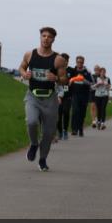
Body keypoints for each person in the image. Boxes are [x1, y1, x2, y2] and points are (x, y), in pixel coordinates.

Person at [19, 27, 68, 171]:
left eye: (49, 37)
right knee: (31, 121)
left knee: (48, 133)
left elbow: (65, 80)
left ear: (53, 39)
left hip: (50, 98)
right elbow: (21, 68)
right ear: (40, 37)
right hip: (32, 96)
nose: (46, 39)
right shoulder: (30, 54)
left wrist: (57, 78)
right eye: (44, 36)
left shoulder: (58, 59)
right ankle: (34, 144)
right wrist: (24, 74)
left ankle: (42, 159)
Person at [68, 56, 93, 137]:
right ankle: (74, 129)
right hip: (75, 94)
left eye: (81, 62)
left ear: (83, 63)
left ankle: (80, 128)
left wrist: (83, 80)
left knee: (82, 113)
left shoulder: (87, 72)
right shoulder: (73, 71)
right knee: (75, 111)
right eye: (78, 62)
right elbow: (68, 81)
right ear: (76, 62)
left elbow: (91, 83)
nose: (79, 64)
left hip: (84, 95)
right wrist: (71, 81)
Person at [56, 53, 72, 141]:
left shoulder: (71, 70)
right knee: (58, 114)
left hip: (68, 96)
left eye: (66, 61)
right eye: (63, 60)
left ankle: (65, 130)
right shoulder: (56, 70)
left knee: (66, 112)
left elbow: (79, 77)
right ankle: (60, 131)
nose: (65, 62)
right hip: (58, 96)